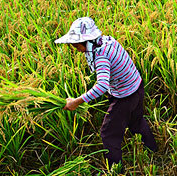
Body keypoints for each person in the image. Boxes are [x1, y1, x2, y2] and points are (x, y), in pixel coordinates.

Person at [55, 17, 158, 166]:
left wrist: (76, 102)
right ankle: (153, 149)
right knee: (136, 121)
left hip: (125, 97)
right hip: (137, 87)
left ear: (87, 42)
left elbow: (102, 85)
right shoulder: (108, 41)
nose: (74, 48)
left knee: (108, 134)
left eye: (76, 45)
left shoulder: (100, 56)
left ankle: (115, 171)